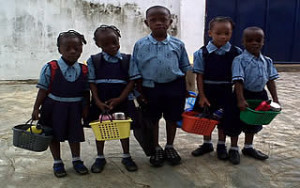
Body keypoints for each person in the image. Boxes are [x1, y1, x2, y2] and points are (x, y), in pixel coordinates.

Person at [129, 5, 192, 167]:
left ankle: (170, 146)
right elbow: (135, 70)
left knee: (172, 118)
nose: (159, 23)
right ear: (146, 23)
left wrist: (187, 89)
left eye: (163, 19)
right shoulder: (140, 45)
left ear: (170, 22)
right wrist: (138, 92)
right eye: (153, 20)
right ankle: (156, 147)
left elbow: (185, 67)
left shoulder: (178, 44)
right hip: (150, 88)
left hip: (174, 87)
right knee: (152, 119)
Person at [32, 30, 89, 177]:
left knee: (74, 135)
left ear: (81, 49)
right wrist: (36, 108)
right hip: (53, 107)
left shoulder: (84, 69)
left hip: (75, 108)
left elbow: (85, 92)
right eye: (67, 48)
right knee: (53, 134)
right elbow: (43, 90)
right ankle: (57, 162)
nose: (72, 52)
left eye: (77, 48)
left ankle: (76, 160)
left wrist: (85, 107)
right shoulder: (51, 68)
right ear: (59, 49)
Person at [87, 25, 138, 173]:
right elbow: (92, 83)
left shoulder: (128, 60)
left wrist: (120, 98)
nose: (112, 46)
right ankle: (100, 157)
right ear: (98, 45)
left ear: (119, 39)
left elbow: (132, 81)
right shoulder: (94, 60)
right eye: (106, 44)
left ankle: (126, 156)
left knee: (123, 127)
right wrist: (96, 101)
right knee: (100, 128)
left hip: (121, 98)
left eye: (114, 42)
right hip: (101, 99)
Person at [226, 26, 280, 164]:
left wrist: (275, 99)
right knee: (236, 122)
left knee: (254, 121)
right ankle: (233, 148)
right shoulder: (239, 60)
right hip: (242, 94)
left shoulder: (267, 61)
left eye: (258, 40)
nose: (254, 43)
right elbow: (238, 81)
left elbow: (270, 80)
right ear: (243, 42)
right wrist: (240, 99)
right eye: (250, 40)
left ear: (263, 42)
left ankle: (248, 147)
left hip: (260, 94)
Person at [192, 17, 242, 161]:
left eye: (227, 33)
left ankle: (222, 145)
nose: (223, 37)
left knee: (225, 118)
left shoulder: (236, 53)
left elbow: (238, 76)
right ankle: (207, 143)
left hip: (226, 91)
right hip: (207, 90)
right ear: (210, 33)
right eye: (218, 33)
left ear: (231, 33)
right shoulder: (201, 53)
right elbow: (199, 76)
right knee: (206, 118)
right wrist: (201, 95)